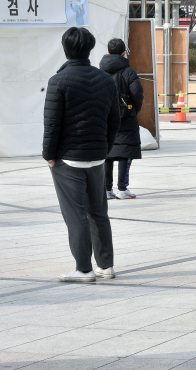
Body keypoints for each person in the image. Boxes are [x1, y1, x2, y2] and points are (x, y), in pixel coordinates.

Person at [43, 27, 121, 283]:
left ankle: (83, 269)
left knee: (75, 214)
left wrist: (49, 156)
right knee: (98, 212)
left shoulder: (58, 81)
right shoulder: (105, 80)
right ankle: (105, 265)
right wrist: (105, 148)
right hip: (97, 156)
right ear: (90, 48)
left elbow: (52, 124)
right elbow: (114, 120)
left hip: (68, 158)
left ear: (65, 49)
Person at [99, 38, 144, 200]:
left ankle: (106, 189)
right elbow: (137, 93)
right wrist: (134, 110)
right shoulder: (128, 71)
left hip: (105, 117)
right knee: (125, 152)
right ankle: (122, 189)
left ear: (108, 51)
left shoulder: (100, 70)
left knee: (107, 154)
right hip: (126, 117)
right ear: (124, 52)